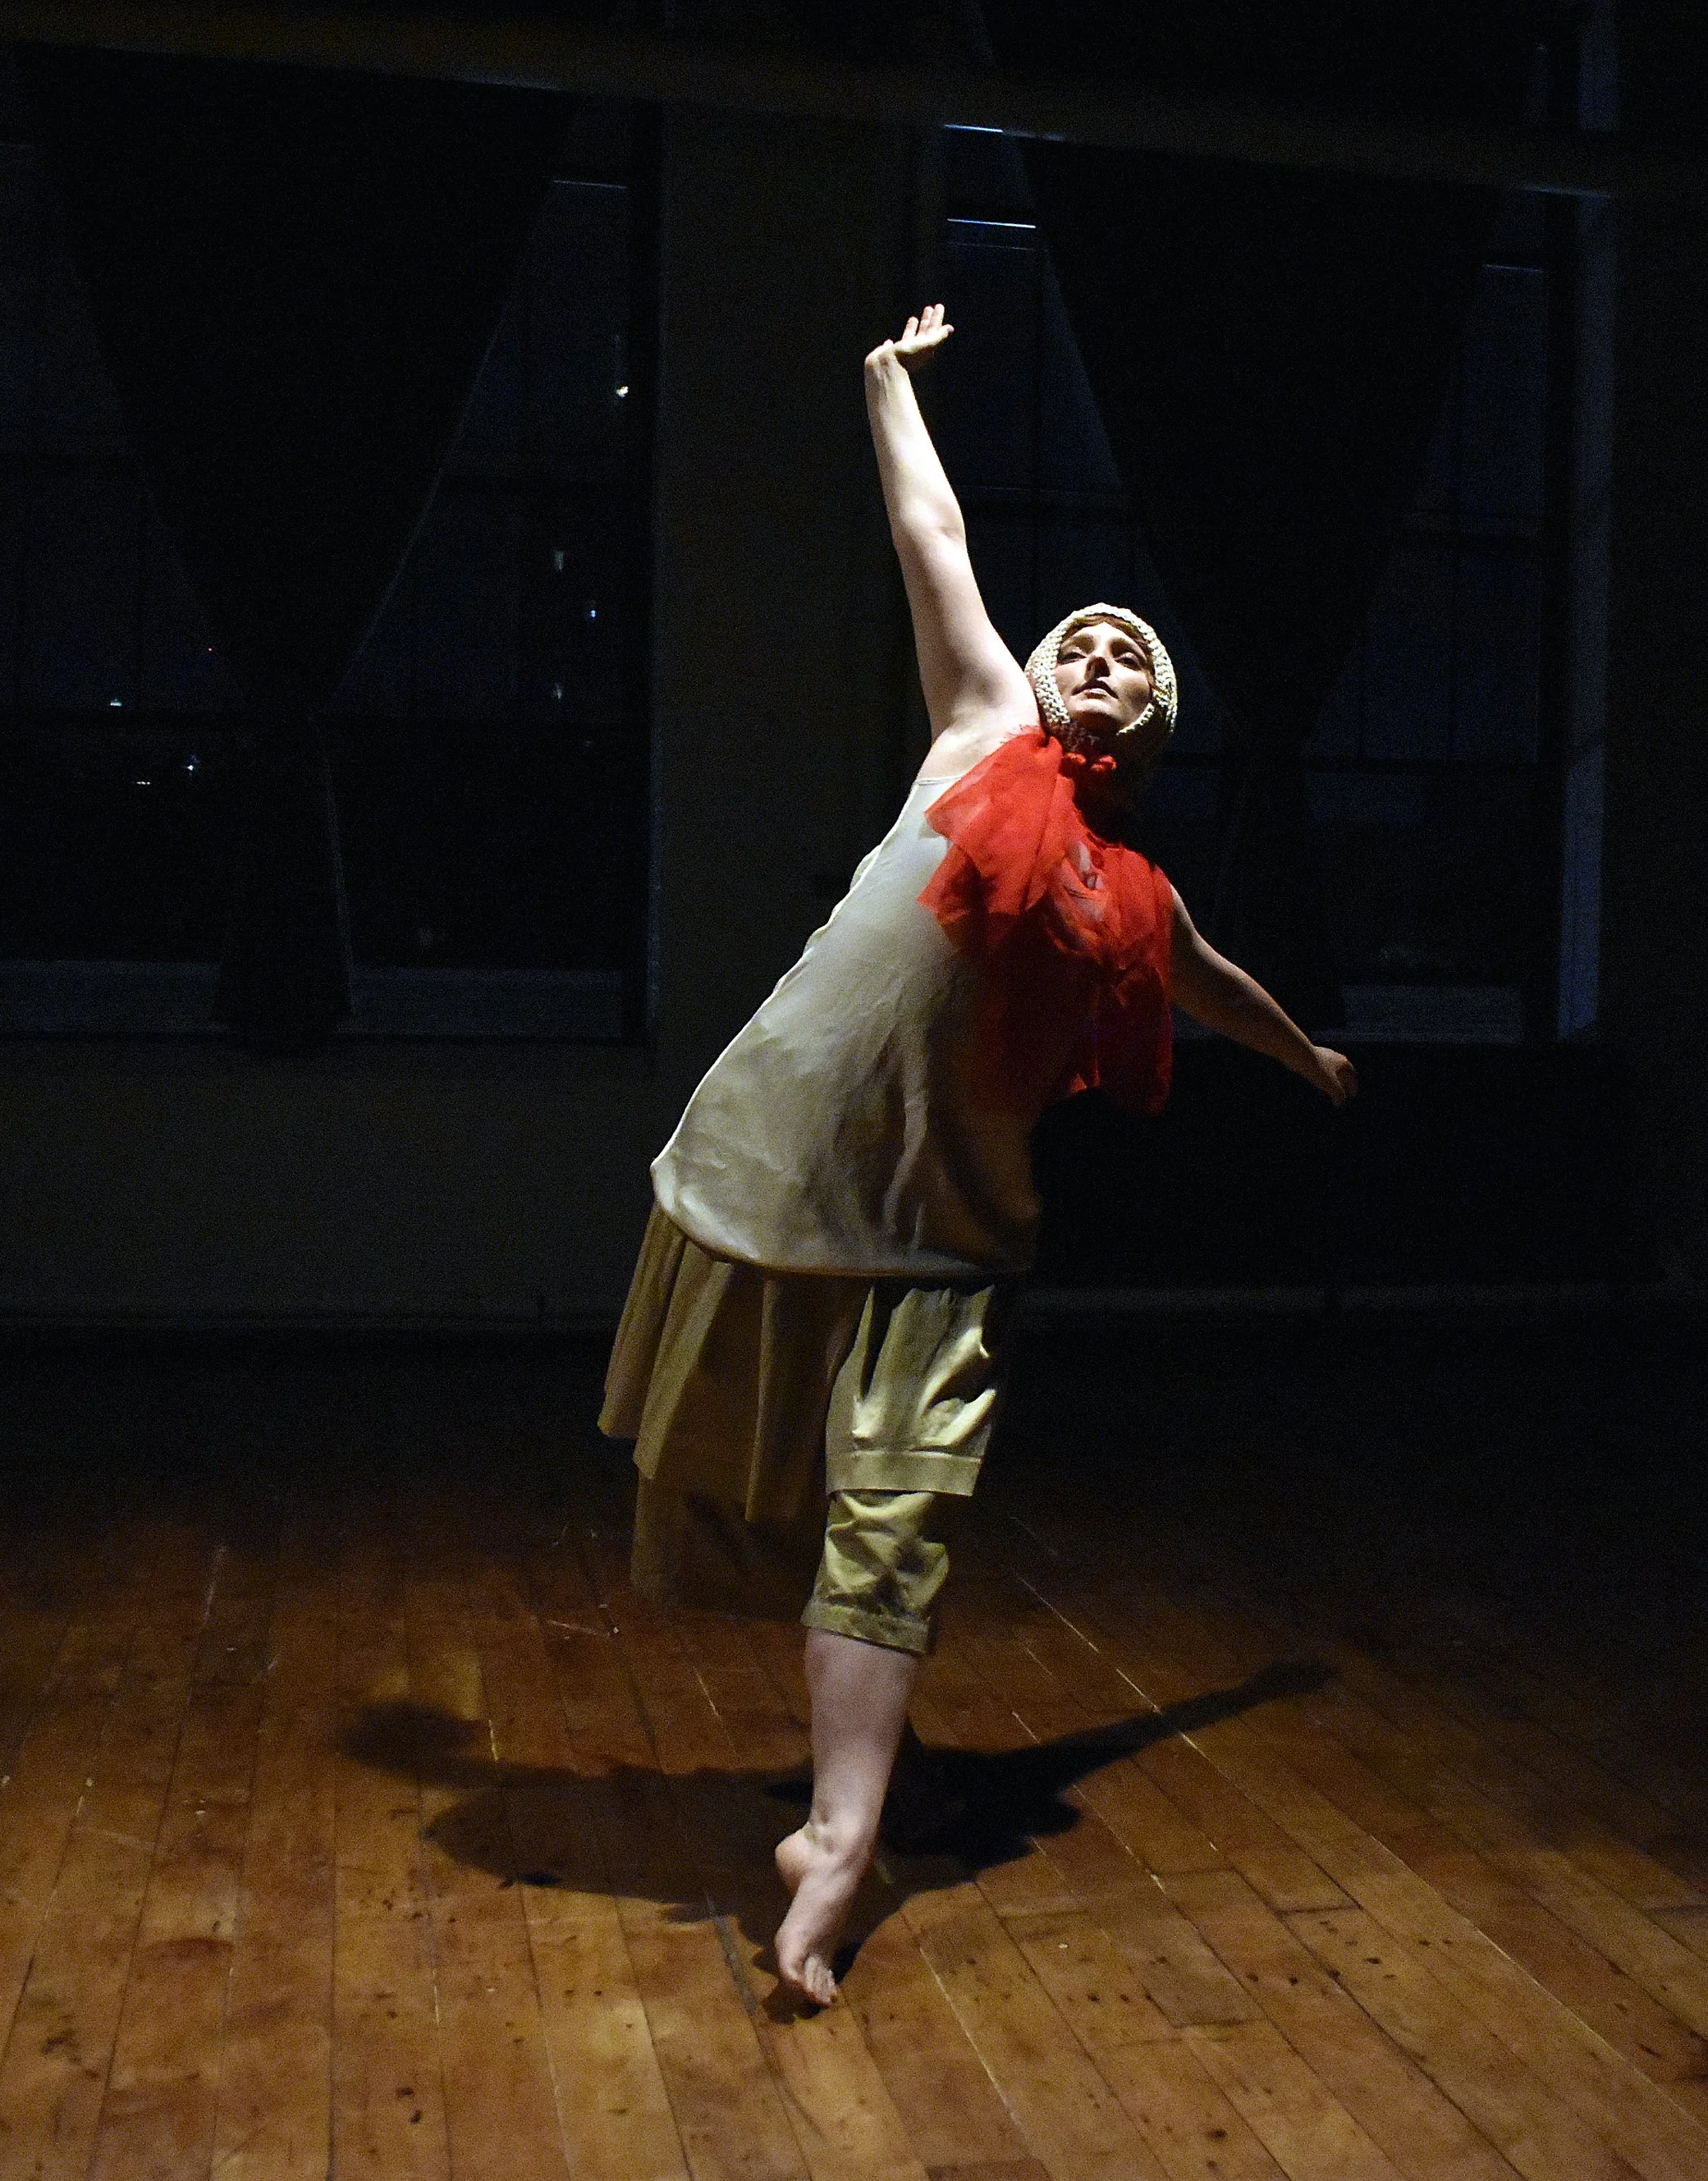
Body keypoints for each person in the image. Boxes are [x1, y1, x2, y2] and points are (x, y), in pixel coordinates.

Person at [599, 304, 1356, 2006]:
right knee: (784, 1499)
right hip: (791, 1161)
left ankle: (844, 1837)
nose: (1091, 657)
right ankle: (879, 1770)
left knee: (894, 1518)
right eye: (1078, 640)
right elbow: (930, 536)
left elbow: (1201, 976)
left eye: (1127, 661)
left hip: (947, 1227)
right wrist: (881, 380)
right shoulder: (976, 728)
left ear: (1156, 730)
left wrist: (1298, 1048)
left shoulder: (1135, 893)